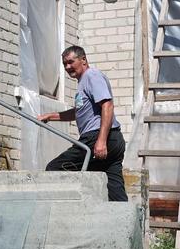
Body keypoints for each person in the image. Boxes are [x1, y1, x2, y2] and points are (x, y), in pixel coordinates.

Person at [37, 45, 127, 201]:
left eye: (71, 62)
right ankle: (126, 220)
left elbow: (107, 105)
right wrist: (50, 116)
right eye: (65, 64)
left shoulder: (92, 76)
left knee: (54, 168)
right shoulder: (83, 83)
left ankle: (64, 213)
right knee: (114, 187)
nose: (67, 67)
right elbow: (77, 112)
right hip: (112, 139)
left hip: (97, 138)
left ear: (83, 60)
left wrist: (101, 141)